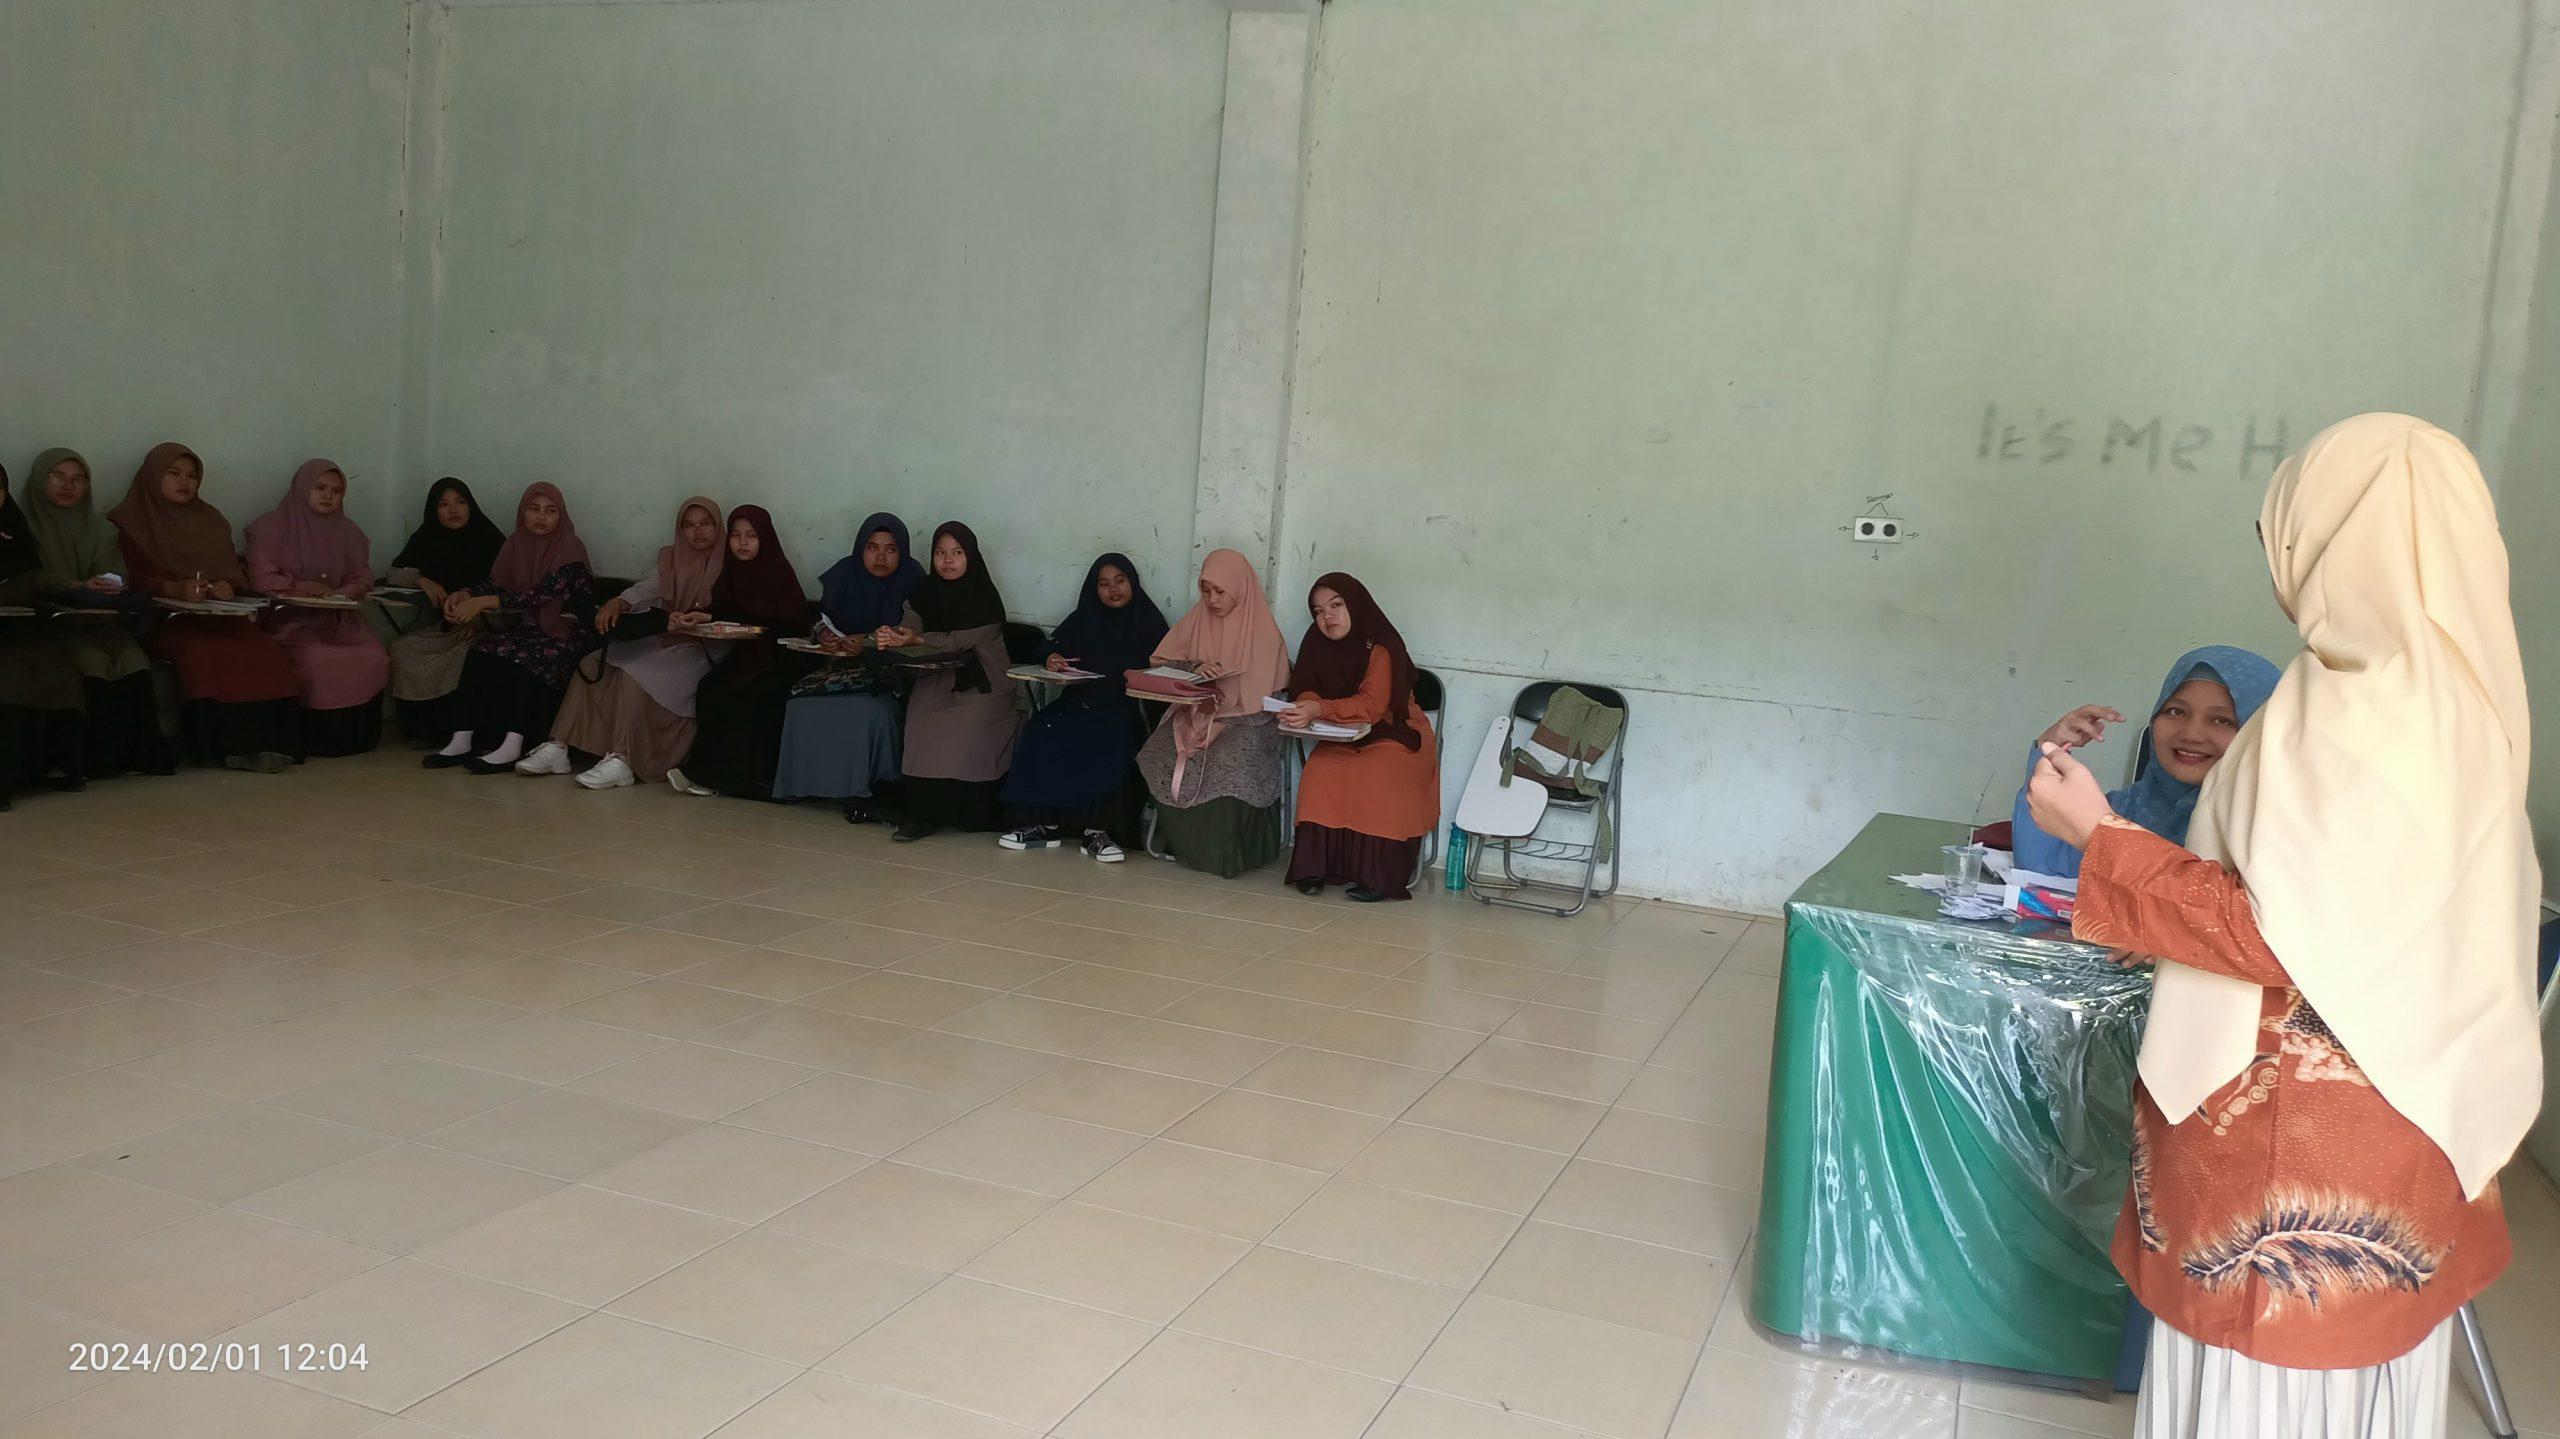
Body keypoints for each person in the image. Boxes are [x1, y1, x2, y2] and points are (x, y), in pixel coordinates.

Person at [2026, 414, 2540, 1439]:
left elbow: (2274, 934)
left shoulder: (2353, 709)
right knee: (2355, 1384)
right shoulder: (2472, 699)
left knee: (2265, 1388)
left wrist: (2100, 838)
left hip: (2296, 1158)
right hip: (2412, 1129)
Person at [109, 441, 301, 772]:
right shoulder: (130, 521)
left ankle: (270, 743)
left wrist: (228, 586)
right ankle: (219, 749)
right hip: (167, 620)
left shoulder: (211, 519)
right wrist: (175, 588)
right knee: (204, 652)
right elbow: (128, 579)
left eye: (192, 475)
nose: (184, 481)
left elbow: (232, 573)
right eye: (174, 473)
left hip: (218, 615)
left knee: (265, 649)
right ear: (153, 476)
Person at [2009, 645, 2282, 878]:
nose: (2191, 734)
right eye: (2176, 711)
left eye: (2221, 720)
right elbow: (2042, 872)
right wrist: (2051, 752)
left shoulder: (2269, 835)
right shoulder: (2124, 810)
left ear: (2258, 734)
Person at [519, 496, 725, 789]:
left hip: (704, 648)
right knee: (591, 664)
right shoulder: (671, 558)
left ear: (718, 527)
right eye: (689, 525)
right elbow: (648, 588)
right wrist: (619, 602)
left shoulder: (729, 564)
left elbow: (732, 611)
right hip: (666, 638)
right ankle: (559, 746)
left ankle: (623, 758)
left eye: (706, 524)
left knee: (634, 675)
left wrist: (701, 620)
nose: (698, 531)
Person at [996, 552, 1168, 861]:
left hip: (1125, 707)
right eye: (1104, 584)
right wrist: (1051, 658)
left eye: (1120, 581)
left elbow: (1165, 669)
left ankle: (1097, 831)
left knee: (1110, 738)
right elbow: (1048, 646)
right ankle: (1043, 825)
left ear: (1132, 582)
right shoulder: (1083, 618)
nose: (1113, 589)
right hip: (1078, 702)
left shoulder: (1149, 622)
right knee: (1042, 729)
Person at [1279, 573, 1439, 901]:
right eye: (1319, 611)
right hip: (1343, 733)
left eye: (1336, 605)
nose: (1328, 617)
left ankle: (1378, 877)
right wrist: (1305, 704)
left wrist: (1318, 708)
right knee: (1321, 771)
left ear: (1355, 604)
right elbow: (1305, 682)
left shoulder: (1382, 645)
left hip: (1395, 730)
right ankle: (1315, 868)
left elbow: (1372, 706)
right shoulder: (1316, 640)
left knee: (1379, 774)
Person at [1135, 547, 1292, 876]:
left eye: (1220, 591)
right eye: (1206, 591)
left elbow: (1270, 702)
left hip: (1250, 722)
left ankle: (1221, 854)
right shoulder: (1195, 620)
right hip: (1193, 712)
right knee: (1161, 750)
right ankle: (1178, 843)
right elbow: (1160, 664)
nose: (1212, 600)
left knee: (1227, 760)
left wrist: (1223, 725)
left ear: (1240, 588)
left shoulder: (1266, 636)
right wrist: (1194, 667)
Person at [423, 482, 597, 775]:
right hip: (530, 626)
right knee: (480, 650)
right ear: (522, 512)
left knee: (523, 657)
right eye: (534, 509)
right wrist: (466, 593)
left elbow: (541, 595)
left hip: (569, 629)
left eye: (550, 511)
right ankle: (462, 738)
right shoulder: (516, 542)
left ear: (561, 516)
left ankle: (513, 744)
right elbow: (497, 583)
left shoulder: (569, 546)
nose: (541, 517)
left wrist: (484, 602)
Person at [20, 447, 172, 778]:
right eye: (58, 476)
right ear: (40, 479)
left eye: (78, 479)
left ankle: (138, 754)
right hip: (48, 624)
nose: (68, 485)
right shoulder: (23, 527)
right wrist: (73, 584)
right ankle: (97, 758)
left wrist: (110, 583)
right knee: (92, 660)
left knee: (132, 657)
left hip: (97, 618)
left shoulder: (100, 529)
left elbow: (113, 570)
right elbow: (29, 579)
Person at [773, 511, 922, 820]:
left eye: (891, 549)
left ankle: (865, 790)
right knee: (798, 704)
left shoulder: (914, 581)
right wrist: (823, 635)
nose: (880, 557)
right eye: (872, 547)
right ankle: (806, 787)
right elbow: (819, 619)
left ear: (903, 552)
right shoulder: (844, 574)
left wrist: (868, 642)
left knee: (871, 710)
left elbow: (915, 632)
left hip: (890, 677)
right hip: (838, 670)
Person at [878, 521, 1018, 841]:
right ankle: (922, 814)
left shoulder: (984, 597)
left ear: (971, 556)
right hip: (936, 675)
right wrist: (896, 635)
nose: (948, 560)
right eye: (940, 553)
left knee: (968, 725)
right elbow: (911, 625)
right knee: (920, 718)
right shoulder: (923, 593)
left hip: (984, 683)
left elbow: (959, 640)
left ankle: (972, 813)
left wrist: (918, 640)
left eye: (957, 553)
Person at [244, 458, 390, 757]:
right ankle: (317, 739)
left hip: (338, 618)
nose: (328, 496)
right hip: (289, 619)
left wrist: (339, 593)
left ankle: (356, 738)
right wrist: (307, 588)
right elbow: (261, 578)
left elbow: (362, 576)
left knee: (373, 655)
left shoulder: (348, 532)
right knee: (317, 658)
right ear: (302, 488)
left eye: (336, 491)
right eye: (320, 488)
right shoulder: (271, 527)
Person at [669, 504, 813, 799]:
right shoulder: (733, 572)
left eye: (751, 535)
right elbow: (728, 609)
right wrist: (702, 617)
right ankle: (704, 771)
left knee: (748, 695)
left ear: (765, 539)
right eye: (735, 535)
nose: (742, 543)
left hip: (783, 658)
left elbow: (788, 622)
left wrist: (745, 624)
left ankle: (733, 778)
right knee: (710, 688)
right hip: (750, 656)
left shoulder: (777, 572)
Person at [383, 477, 505, 745]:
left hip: (483, 627)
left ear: (471, 505)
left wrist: (477, 620)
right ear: (433, 510)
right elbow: (393, 573)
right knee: (403, 649)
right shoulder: (426, 538)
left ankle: (455, 730)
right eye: (444, 504)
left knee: (465, 654)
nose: (453, 510)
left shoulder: (490, 540)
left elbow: (508, 588)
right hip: (441, 626)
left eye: (460, 502)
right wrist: (420, 580)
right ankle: (420, 729)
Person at [0, 462, 93, 801]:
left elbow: (31, 579)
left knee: (57, 668)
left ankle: (50, 769)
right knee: (9, 671)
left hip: (14, 631)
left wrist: (75, 585)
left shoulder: (13, 530)